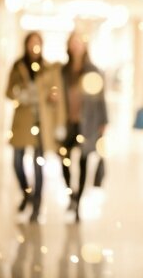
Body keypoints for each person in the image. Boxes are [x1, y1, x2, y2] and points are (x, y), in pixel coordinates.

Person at [6, 32, 66, 222]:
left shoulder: (48, 68)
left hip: (42, 122)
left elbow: (57, 95)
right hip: (22, 120)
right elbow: (8, 91)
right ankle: (27, 193)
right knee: (16, 161)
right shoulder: (18, 66)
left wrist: (58, 121)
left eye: (37, 43)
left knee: (38, 164)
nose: (34, 46)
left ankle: (37, 205)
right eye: (31, 43)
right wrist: (19, 95)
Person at [60, 32, 108, 221]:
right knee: (63, 159)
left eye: (79, 43)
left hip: (87, 123)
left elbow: (100, 99)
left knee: (83, 161)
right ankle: (71, 192)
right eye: (73, 42)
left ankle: (78, 204)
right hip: (67, 123)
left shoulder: (93, 71)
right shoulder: (64, 71)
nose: (76, 46)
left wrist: (104, 123)